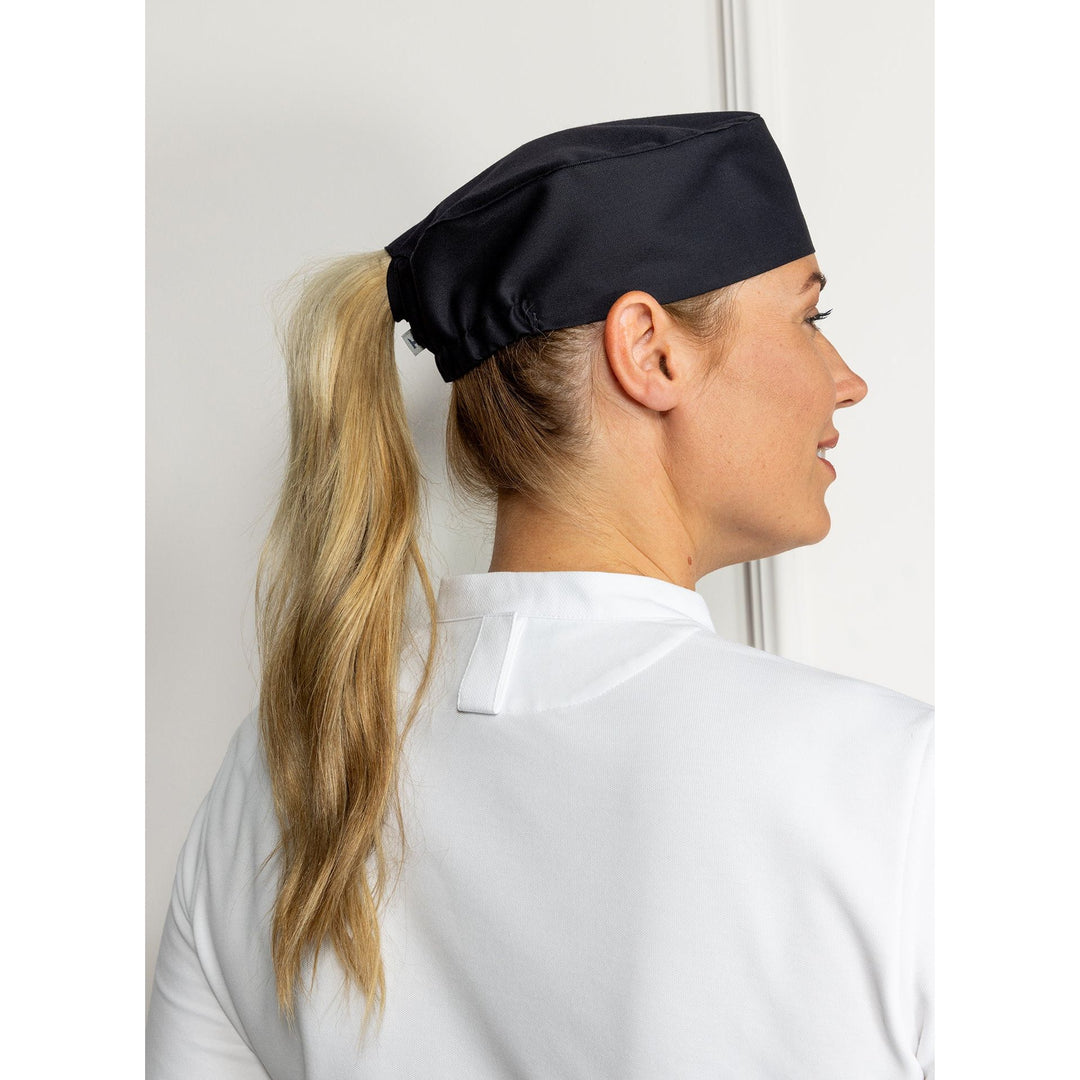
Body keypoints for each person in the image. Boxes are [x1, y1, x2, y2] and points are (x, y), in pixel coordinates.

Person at [147, 112, 934, 1079]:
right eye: (810, 318)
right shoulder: (893, 786)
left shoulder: (279, 776)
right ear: (649, 350)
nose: (847, 381)